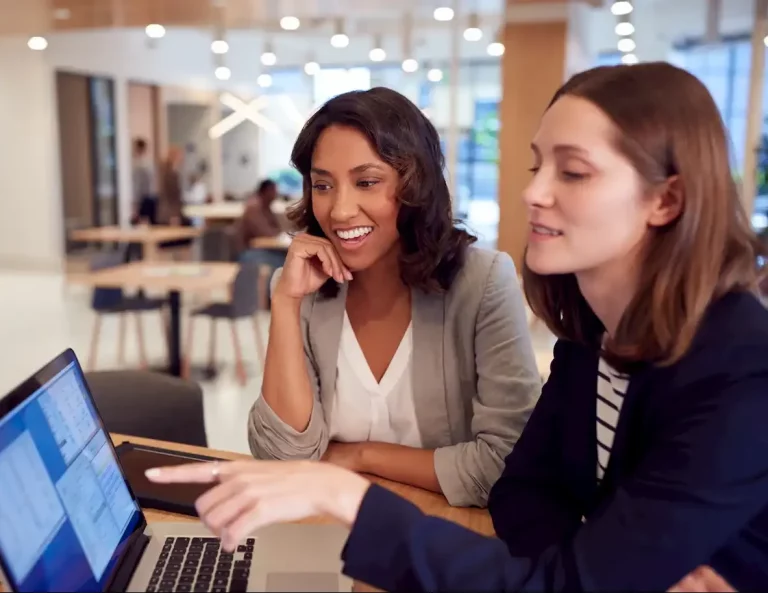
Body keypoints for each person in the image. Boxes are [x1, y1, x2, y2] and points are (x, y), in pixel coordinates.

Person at [145, 62, 768, 590]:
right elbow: (523, 494)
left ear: (667, 200)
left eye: (571, 172)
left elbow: (518, 500)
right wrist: (589, 563)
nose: (533, 194)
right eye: (537, 167)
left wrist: (347, 492)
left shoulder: (742, 370)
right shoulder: (592, 334)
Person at [246, 87, 541, 507]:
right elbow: (282, 457)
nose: (341, 210)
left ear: (414, 184)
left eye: (366, 182)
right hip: (323, 529)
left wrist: (363, 455)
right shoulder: (304, 287)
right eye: (323, 185)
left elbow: (510, 464)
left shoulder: (483, 282)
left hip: (442, 539)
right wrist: (285, 302)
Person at [131, 138, 157, 225]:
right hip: (151, 196)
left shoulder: (139, 165)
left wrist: (136, 203)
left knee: (140, 224)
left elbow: (138, 185)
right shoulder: (149, 163)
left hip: (144, 198)